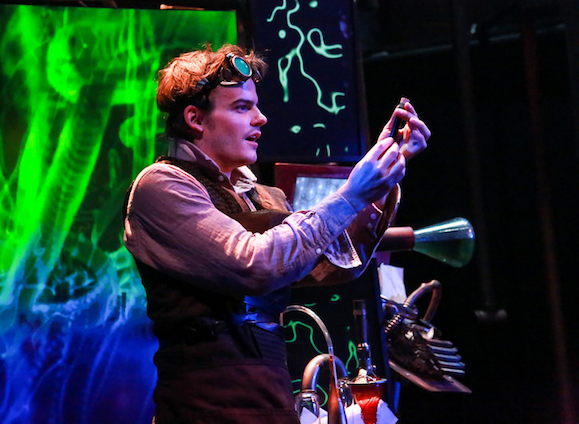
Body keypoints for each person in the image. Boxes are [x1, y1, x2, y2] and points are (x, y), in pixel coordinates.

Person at [123, 44, 430, 424]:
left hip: (270, 394)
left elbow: (332, 264)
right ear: (195, 119)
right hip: (204, 403)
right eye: (242, 108)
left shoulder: (263, 196)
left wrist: (381, 177)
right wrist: (351, 194)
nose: (261, 118)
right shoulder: (162, 185)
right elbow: (255, 264)